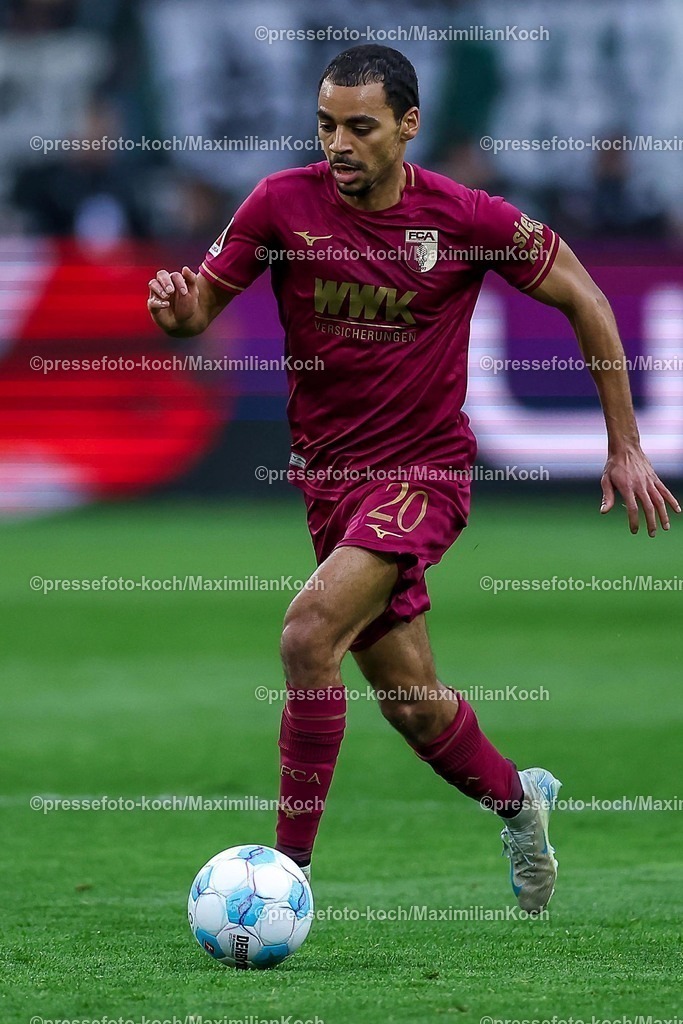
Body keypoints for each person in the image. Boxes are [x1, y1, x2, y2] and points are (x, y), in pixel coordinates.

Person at [148, 45, 679, 914]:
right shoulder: (281, 205)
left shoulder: (465, 217)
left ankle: (286, 879)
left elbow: (584, 294)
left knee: (306, 633)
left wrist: (622, 443)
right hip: (328, 483)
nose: (338, 144)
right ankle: (520, 803)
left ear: (406, 126)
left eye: (359, 127)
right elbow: (202, 302)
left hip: (422, 472)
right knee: (415, 709)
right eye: (326, 125)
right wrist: (179, 312)